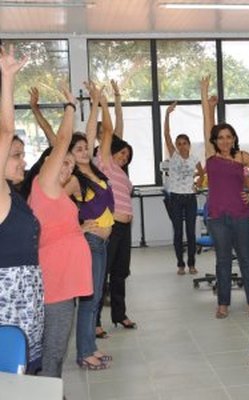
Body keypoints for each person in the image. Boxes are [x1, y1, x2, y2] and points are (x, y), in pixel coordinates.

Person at [25, 86, 93, 377]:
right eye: (62, 162)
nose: (67, 167)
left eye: (69, 165)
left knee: (54, 349)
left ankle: (49, 389)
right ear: (48, 164)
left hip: (64, 281)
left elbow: (55, 229)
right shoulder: (44, 183)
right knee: (53, 350)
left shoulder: (56, 193)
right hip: (57, 282)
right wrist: (70, 105)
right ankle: (49, 391)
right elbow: (63, 140)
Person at [201, 75, 249, 319]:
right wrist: (205, 97)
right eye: (221, 137)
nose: (225, 141)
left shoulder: (243, 157)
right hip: (217, 216)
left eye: (229, 137)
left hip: (242, 215)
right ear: (215, 141)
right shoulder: (210, 155)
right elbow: (207, 123)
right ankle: (223, 303)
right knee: (223, 261)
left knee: (247, 260)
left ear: (234, 138)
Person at [0, 45, 45, 374]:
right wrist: (7, 81)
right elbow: (5, 132)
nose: (23, 161)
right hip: (8, 304)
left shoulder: (14, 195)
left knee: (26, 375)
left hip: (26, 300)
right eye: (16, 155)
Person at [65, 83, 114, 370]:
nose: (85, 151)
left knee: (94, 300)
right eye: (78, 149)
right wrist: (78, 227)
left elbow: (93, 133)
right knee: (89, 300)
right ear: (70, 154)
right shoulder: (73, 179)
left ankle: (90, 347)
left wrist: (96, 102)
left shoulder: (93, 170)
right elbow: (52, 203)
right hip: (91, 243)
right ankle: (84, 353)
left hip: (103, 243)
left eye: (86, 148)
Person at [94, 84, 137, 332]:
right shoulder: (105, 164)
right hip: (110, 228)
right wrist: (104, 103)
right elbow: (111, 130)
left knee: (120, 273)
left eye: (127, 156)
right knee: (104, 273)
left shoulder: (121, 174)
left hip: (125, 227)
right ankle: (96, 320)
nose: (124, 158)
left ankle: (119, 315)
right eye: (121, 153)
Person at [163, 101, 205, 275]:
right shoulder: (174, 156)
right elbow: (166, 134)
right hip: (175, 198)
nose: (181, 146)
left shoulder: (194, 158)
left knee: (190, 232)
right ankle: (180, 264)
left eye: (184, 143)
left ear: (189, 144)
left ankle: (192, 263)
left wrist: (197, 184)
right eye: (178, 143)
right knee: (178, 233)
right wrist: (167, 114)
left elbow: (202, 173)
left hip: (189, 198)